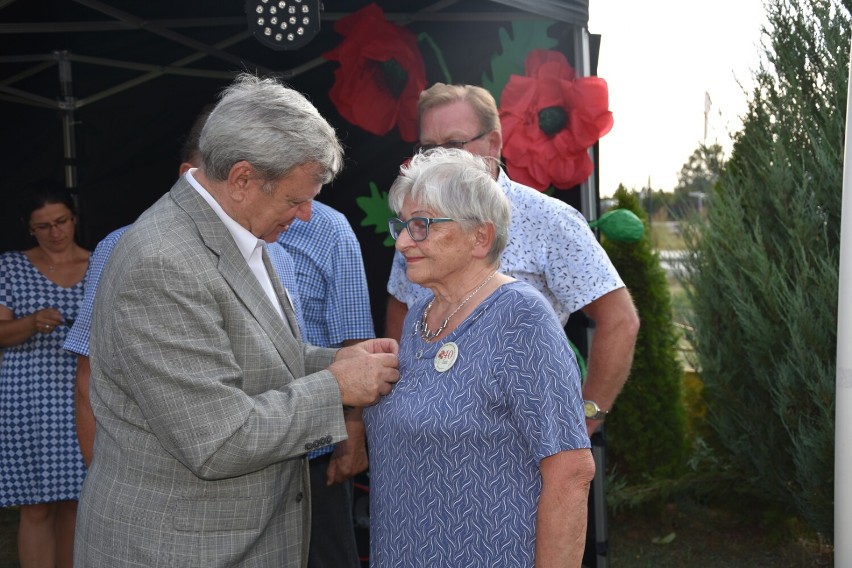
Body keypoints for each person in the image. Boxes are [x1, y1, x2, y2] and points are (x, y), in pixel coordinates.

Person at [73, 73, 400, 568]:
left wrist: (336, 359)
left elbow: (255, 355)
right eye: (296, 199)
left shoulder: (237, 230)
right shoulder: (163, 262)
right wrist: (336, 386)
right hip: (181, 549)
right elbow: (219, 440)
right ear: (243, 179)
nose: (308, 216)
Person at [364, 148, 594, 566]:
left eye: (422, 226)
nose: (401, 241)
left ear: (480, 237)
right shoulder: (420, 314)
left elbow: (571, 471)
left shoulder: (521, 318)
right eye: (402, 225)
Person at [385, 82, 640, 436]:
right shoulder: (415, 219)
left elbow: (619, 319)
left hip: (518, 433)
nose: (440, 158)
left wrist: (588, 417)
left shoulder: (548, 219)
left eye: (454, 145)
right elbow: (400, 303)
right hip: (427, 431)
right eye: (429, 148)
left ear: (493, 144)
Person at [64, 104, 307, 466]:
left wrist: (339, 368)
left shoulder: (275, 255)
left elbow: (279, 363)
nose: (304, 213)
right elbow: (91, 374)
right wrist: (99, 474)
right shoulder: (129, 248)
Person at [277, 201, 375, 568]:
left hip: (317, 444)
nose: (301, 211)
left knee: (327, 555)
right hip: (247, 439)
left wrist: (352, 440)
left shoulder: (330, 228)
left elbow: (355, 342)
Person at [0, 180, 90, 568]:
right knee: (35, 506)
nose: (55, 232)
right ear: (30, 228)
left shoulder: (98, 262)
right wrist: (31, 323)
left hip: (83, 397)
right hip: (28, 398)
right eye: (44, 226)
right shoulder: (9, 266)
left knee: (76, 502)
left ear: (74, 218)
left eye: (62, 221)